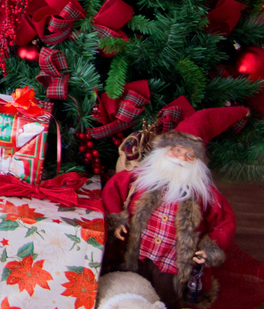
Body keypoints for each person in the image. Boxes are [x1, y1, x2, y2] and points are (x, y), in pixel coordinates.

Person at [102, 107, 246, 309]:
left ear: (199, 162)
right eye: (177, 150)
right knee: (128, 290)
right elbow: (113, 189)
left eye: (190, 155)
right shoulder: (140, 179)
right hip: (134, 254)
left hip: (171, 264)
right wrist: (116, 219)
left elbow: (225, 220)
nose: (180, 158)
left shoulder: (205, 195)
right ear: (164, 149)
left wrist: (210, 246)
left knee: (165, 299)